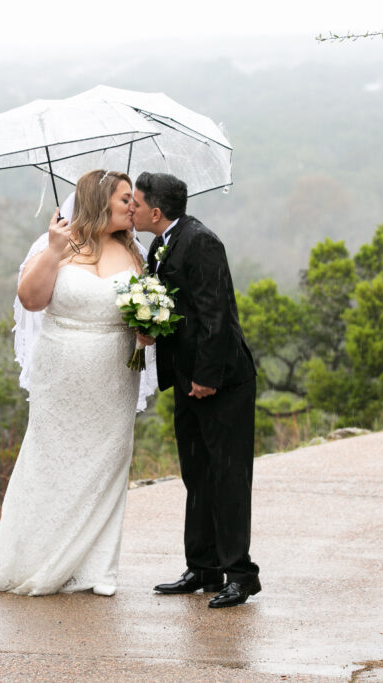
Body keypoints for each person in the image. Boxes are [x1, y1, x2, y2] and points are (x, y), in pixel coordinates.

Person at [0, 169, 155, 596]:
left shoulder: (136, 254)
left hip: (114, 376)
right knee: (50, 461)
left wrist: (149, 331)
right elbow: (31, 300)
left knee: (107, 464)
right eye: (126, 198)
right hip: (59, 377)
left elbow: (144, 316)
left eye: (134, 200)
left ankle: (97, 569)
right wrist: (55, 252)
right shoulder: (58, 243)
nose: (134, 206)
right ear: (98, 200)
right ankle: (36, 558)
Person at [132, 171, 261, 608]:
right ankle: (203, 567)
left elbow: (216, 313)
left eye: (135, 201)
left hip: (222, 381)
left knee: (228, 475)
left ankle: (241, 575)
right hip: (187, 380)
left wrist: (207, 376)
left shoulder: (202, 241)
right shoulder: (160, 243)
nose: (129, 208)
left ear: (154, 210)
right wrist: (148, 328)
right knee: (197, 473)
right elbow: (175, 306)